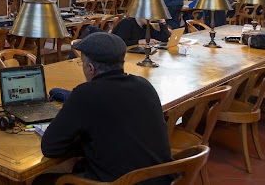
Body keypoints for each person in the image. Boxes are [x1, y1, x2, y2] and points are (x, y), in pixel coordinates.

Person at [34, 33, 172, 185]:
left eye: (83, 64)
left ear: (91, 68)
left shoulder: (85, 94)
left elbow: (50, 147)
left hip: (121, 182)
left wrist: (85, 142)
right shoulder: (144, 85)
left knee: (41, 181)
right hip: (162, 178)